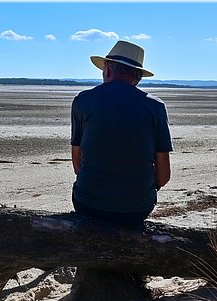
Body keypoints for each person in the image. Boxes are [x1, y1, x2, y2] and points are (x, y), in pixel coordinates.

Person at [70, 40, 172, 229]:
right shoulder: (155, 107)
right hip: (137, 208)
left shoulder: (83, 101)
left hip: (88, 203)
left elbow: (77, 164)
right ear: (138, 77)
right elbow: (163, 175)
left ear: (107, 69)